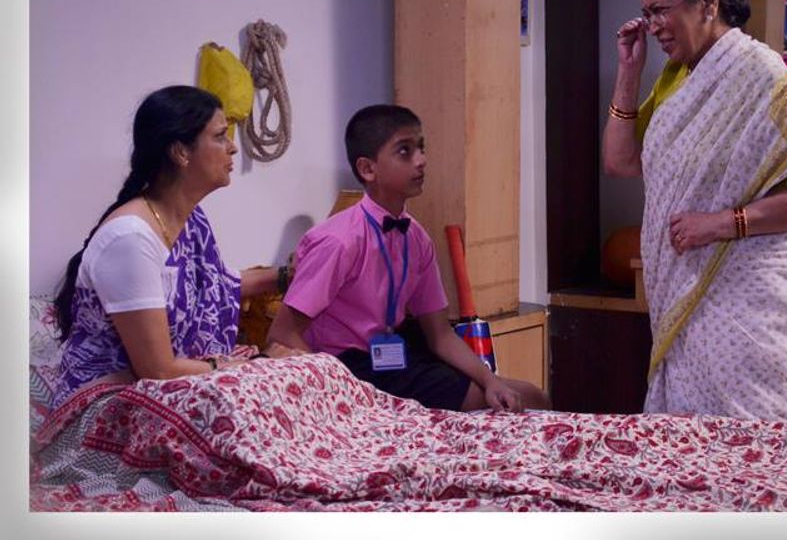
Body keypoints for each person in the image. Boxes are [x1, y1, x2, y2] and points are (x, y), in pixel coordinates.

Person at [602, 0, 787, 424]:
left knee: (749, 435)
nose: (653, 26)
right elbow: (620, 161)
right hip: (684, 288)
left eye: (661, 11)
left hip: (747, 293)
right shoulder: (677, 79)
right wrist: (629, 72)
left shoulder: (763, 76)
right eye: (647, 14)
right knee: (687, 440)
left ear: (708, 2)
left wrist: (722, 224)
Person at [266, 104, 550, 413]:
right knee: (508, 404)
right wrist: (340, 390)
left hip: (394, 357)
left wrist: (490, 379)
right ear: (368, 169)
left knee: (530, 395)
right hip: (347, 366)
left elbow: (440, 334)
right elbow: (283, 333)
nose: (421, 160)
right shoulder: (339, 241)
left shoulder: (416, 237)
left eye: (421, 148)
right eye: (405, 151)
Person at [51, 85, 291, 409]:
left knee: (306, 369)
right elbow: (158, 370)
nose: (232, 148)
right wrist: (250, 366)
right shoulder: (129, 239)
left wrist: (288, 275)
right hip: (110, 401)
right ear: (180, 152)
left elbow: (218, 286)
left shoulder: (191, 222)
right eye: (220, 136)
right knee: (267, 387)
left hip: (168, 384)